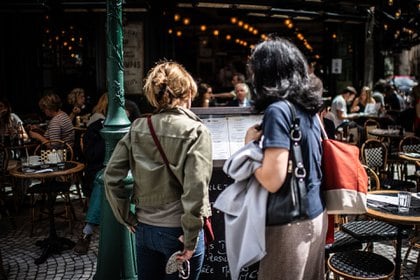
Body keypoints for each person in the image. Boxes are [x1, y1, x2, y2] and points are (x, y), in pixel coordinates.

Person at [104, 60, 213, 280]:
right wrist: (191, 239)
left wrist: (128, 218)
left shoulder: (138, 127)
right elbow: (196, 189)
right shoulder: (196, 131)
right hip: (179, 233)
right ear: (188, 92)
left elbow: (111, 177)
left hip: (144, 230)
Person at [244, 36, 327, 279]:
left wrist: (249, 147)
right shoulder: (307, 107)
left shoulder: (278, 110)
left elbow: (272, 179)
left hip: (289, 222)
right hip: (315, 214)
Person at [73, 93, 108, 255]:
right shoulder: (96, 128)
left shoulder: (128, 124)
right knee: (102, 182)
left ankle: (87, 232)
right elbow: (91, 155)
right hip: (98, 170)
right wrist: (106, 137)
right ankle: (87, 232)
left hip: (126, 170)